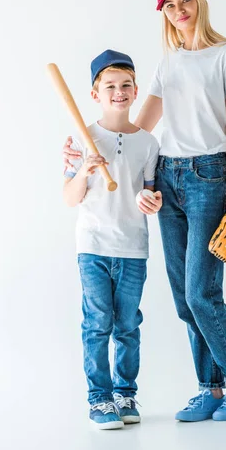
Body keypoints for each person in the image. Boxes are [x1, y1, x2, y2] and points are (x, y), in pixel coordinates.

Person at [63, 0, 226, 422]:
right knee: (181, 296)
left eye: (186, 1)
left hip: (210, 175)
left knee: (201, 292)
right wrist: (83, 147)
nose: (180, 12)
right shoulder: (168, 62)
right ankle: (209, 390)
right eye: (170, 6)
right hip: (166, 177)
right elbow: (136, 127)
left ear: (201, 2)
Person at [63, 49, 161, 430]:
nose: (118, 92)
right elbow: (70, 198)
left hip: (134, 247)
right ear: (95, 94)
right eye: (109, 87)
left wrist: (148, 200)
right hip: (93, 245)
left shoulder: (148, 143)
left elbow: (151, 193)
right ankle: (99, 399)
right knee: (97, 322)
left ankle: (125, 392)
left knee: (128, 324)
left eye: (125, 86)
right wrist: (84, 171)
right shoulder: (81, 137)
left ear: (135, 91)